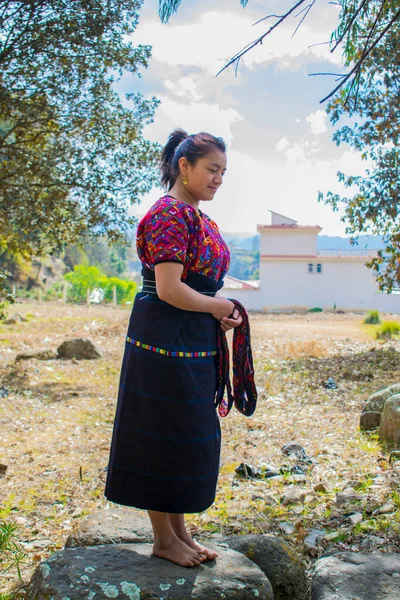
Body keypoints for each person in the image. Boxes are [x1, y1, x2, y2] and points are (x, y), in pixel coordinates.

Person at [104, 128, 243, 568]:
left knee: (185, 433)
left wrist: (217, 313)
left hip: (190, 336)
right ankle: (163, 539)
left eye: (223, 171)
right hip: (162, 337)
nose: (219, 178)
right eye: (211, 169)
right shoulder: (169, 214)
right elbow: (168, 288)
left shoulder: (201, 218)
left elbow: (195, 288)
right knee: (162, 432)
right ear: (184, 167)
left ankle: (179, 532)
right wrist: (218, 304)